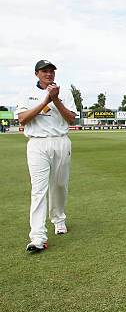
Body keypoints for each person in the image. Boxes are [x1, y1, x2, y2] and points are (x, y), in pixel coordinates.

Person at [17, 60, 77, 252]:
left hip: (61, 140)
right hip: (37, 143)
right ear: (37, 74)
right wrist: (45, 101)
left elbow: (71, 118)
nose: (49, 74)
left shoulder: (65, 93)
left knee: (60, 185)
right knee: (39, 189)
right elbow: (23, 119)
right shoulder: (27, 93)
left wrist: (56, 99)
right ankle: (38, 237)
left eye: (51, 71)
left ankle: (59, 219)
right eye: (44, 71)